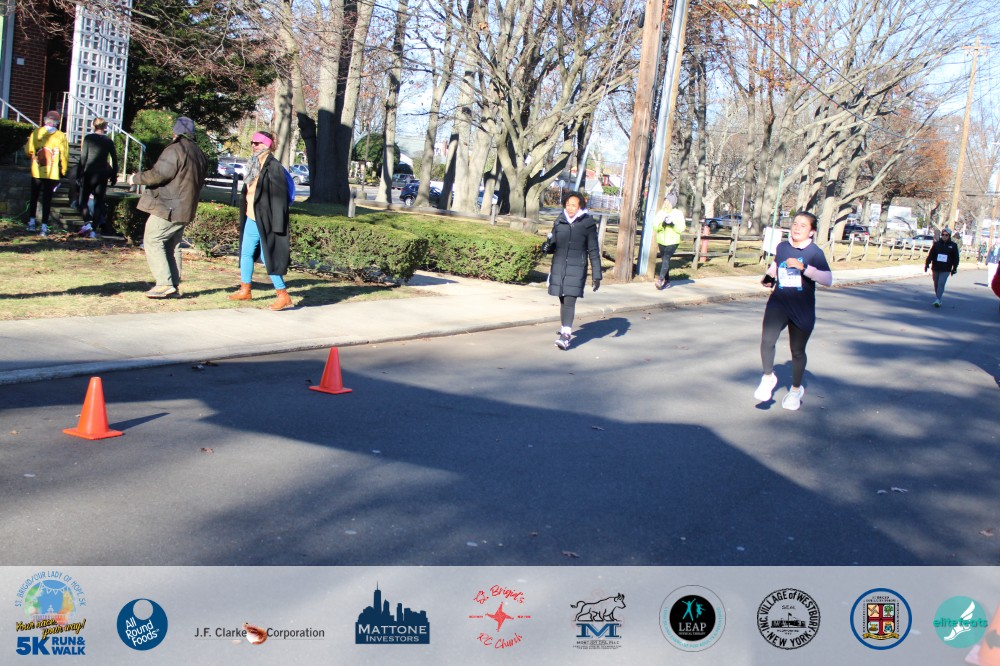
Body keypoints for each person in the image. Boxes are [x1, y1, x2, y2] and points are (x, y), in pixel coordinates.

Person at [754, 212, 833, 410]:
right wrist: (769, 277)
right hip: (778, 302)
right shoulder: (782, 247)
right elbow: (776, 265)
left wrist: (803, 267)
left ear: (812, 232)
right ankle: (768, 377)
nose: (797, 228)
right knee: (767, 341)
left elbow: (828, 279)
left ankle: (796, 390)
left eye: (803, 226)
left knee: (797, 351)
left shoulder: (815, 253)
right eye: (795, 224)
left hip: (802, 307)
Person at [130, 116, 208, 298]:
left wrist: (135, 178)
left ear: (176, 132)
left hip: (168, 207)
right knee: (172, 245)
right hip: (185, 208)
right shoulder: (198, 153)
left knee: (153, 239)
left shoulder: (175, 149)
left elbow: (159, 174)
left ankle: (164, 284)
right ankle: (173, 286)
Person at [228, 131, 294, 311]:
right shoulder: (254, 163)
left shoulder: (274, 167)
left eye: (257, 143)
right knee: (246, 253)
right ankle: (245, 290)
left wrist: (277, 224)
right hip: (251, 216)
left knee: (267, 256)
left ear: (267, 145)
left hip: (267, 219)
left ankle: (283, 295)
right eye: (252, 142)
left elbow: (280, 198)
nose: (253, 145)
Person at [542, 191, 602, 350]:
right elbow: (554, 243)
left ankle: (566, 335)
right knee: (562, 299)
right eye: (568, 205)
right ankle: (564, 328)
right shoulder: (560, 221)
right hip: (559, 266)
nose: (570, 208)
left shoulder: (587, 224)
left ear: (580, 206)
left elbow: (593, 250)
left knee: (569, 300)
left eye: (573, 205)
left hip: (577, 267)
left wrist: (596, 275)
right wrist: (547, 247)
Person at [24, 110, 69, 236]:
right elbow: (64, 155)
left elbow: (28, 150)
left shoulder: (36, 132)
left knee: (34, 196)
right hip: (52, 172)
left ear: (45, 120)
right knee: (47, 199)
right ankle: (44, 226)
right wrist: (63, 170)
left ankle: (32, 222)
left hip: (37, 171)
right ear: (57, 122)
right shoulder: (60, 135)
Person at [75, 117, 119, 238]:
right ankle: (93, 230)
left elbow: (83, 158)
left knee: (82, 201)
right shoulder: (108, 141)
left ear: (93, 126)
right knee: (98, 203)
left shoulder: (89, 138)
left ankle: (87, 223)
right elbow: (114, 159)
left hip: (89, 173)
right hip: (102, 174)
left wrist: (79, 174)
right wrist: (114, 175)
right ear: (105, 127)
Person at [654, 192, 685, 289]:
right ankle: (667, 281)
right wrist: (662, 225)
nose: (665, 202)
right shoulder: (661, 213)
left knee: (666, 258)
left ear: (672, 202)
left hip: (673, 241)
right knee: (664, 260)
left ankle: (660, 280)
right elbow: (655, 226)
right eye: (665, 200)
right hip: (661, 240)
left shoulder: (678, 213)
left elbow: (681, 228)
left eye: (667, 200)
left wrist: (672, 225)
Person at [924, 227, 959, 308]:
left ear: (949, 236)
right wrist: (927, 264)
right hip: (936, 267)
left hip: (946, 268)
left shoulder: (953, 245)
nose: (944, 236)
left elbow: (956, 258)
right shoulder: (936, 244)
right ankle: (938, 297)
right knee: (936, 283)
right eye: (943, 235)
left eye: (946, 235)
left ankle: (938, 299)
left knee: (941, 283)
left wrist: (954, 268)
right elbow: (931, 255)